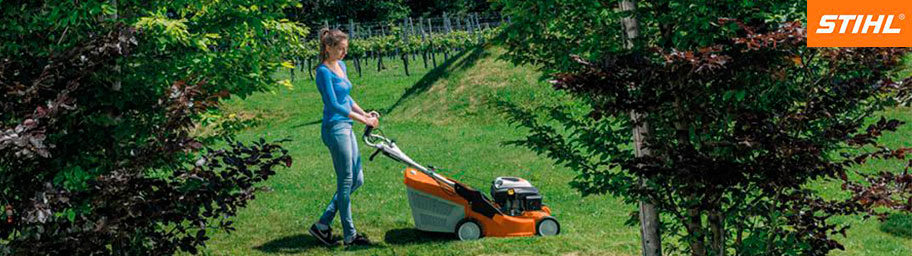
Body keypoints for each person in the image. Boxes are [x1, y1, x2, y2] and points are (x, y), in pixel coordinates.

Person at [308, 28, 378, 247]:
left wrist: (364, 112)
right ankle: (350, 235)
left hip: (346, 126)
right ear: (328, 47)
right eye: (340, 49)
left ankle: (322, 225)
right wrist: (363, 120)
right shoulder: (323, 72)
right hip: (334, 128)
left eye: (346, 49)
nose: (344, 53)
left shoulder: (342, 66)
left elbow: (346, 96)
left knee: (357, 180)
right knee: (346, 180)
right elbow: (333, 104)